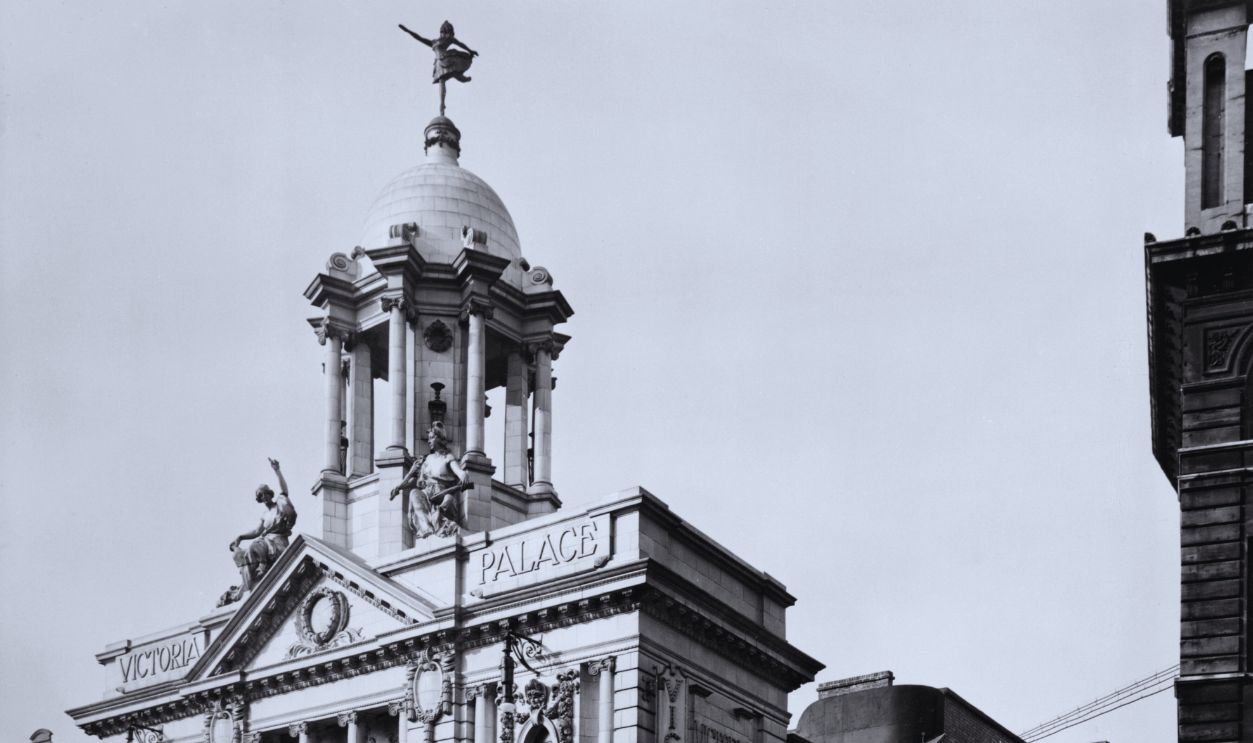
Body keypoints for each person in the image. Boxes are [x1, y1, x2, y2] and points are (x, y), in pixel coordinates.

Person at [220, 458, 297, 605]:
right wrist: (240, 537)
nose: (264, 497)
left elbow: (284, 490)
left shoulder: (279, 504)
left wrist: (277, 471)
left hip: (278, 543)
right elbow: (257, 531)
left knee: (255, 546)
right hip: (266, 542)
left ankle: (262, 566)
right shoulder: (265, 515)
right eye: (260, 496)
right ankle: (250, 585)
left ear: (270, 494)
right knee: (247, 553)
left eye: (265, 494)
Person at [390, 422, 468, 538]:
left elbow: (458, 470)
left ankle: (441, 526)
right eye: (428, 438)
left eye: (431, 438)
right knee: (414, 493)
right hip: (427, 494)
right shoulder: (425, 460)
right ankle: (428, 530)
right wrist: (399, 487)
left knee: (449, 500)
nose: (428, 441)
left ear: (439, 438)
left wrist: (463, 475)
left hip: (443, 492)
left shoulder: (447, 457)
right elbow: (412, 481)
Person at [398, 21, 479, 115]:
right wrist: (408, 31)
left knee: (452, 70)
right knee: (442, 79)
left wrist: (470, 50)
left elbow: (460, 44)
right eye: (445, 32)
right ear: (442, 32)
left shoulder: (449, 39)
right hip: (439, 63)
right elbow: (419, 38)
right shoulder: (434, 42)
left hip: (447, 58)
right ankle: (442, 104)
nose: (447, 34)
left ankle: (460, 77)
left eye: (449, 33)